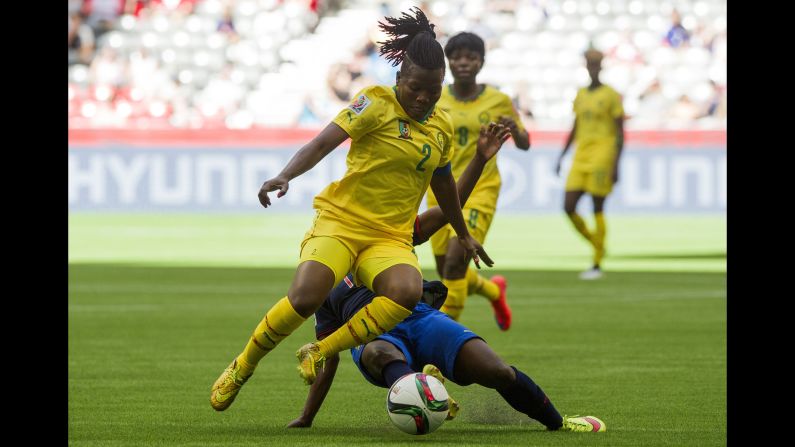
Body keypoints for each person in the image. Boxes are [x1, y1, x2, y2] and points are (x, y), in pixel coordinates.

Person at [210, 7, 492, 412]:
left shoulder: (441, 127)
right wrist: (286, 174)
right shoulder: (374, 102)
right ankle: (244, 364)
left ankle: (320, 350)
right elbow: (323, 143)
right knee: (306, 297)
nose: (424, 98)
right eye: (416, 88)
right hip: (341, 222)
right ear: (399, 79)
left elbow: (444, 184)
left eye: (433, 90)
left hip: (388, 236)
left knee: (407, 291)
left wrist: (462, 232)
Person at [427, 32, 531, 329]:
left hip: (480, 189)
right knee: (447, 271)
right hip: (441, 190)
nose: (463, 63)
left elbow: (524, 143)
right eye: (457, 57)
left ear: (481, 62)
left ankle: (441, 344)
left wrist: (516, 130)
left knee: (455, 262)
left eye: (470, 57)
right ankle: (494, 291)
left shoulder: (498, 100)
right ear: (448, 61)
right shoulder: (437, 96)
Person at [555, 47, 625, 280]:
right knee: (568, 206)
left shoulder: (611, 95)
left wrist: (616, 163)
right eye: (589, 63)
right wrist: (562, 155)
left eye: (595, 63)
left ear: (601, 66)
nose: (592, 67)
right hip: (581, 154)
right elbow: (575, 127)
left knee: (597, 206)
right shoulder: (581, 94)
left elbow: (620, 131)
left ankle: (596, 262)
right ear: (586, 66)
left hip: (602, 155)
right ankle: (598, 244)